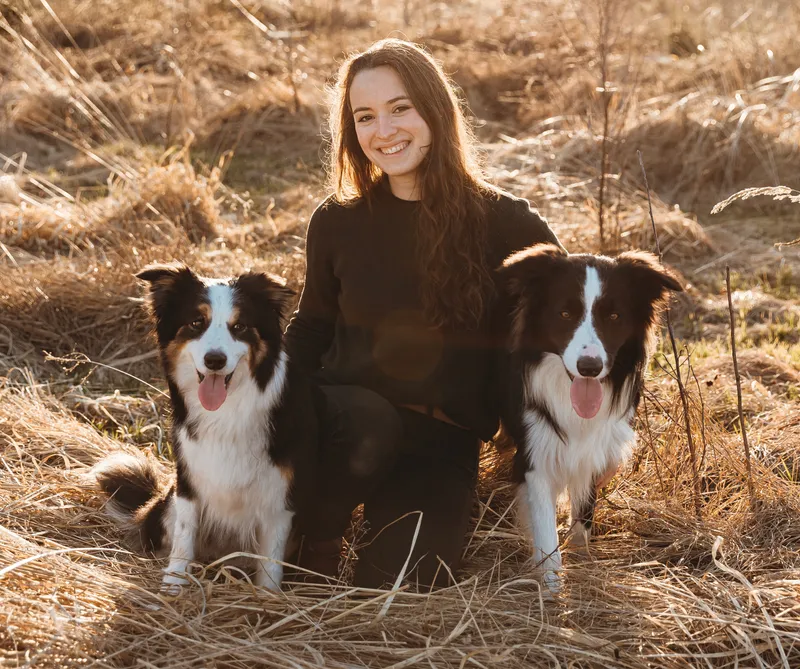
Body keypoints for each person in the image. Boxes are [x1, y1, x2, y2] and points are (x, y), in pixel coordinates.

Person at [285, 38, 564, 589]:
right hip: (341, 424)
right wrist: (258, 407)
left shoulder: (506, 223)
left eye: (400, 108)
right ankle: (317, 535)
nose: (383, 131)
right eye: (365, 116)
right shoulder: (338, 221)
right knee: (372, 419)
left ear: (435, 110)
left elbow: (567, 321)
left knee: (405, 588)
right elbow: (312, 326)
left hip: (440, 440)